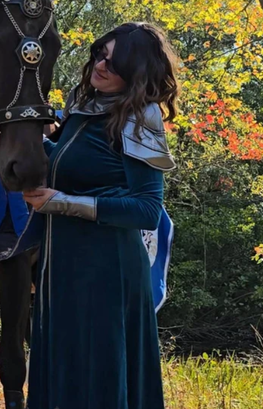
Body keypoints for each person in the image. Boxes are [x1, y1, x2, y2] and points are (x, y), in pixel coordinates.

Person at [23, 22, 180, 409]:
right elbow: (67, 164)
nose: (101, 65)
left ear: (137, 70)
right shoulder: (84, 107)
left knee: (98, 382)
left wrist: (62, 202)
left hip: (107, 277)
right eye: (100, 53)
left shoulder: (140, 117)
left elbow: (147, 209)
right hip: (62, 270)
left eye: (115, 61)